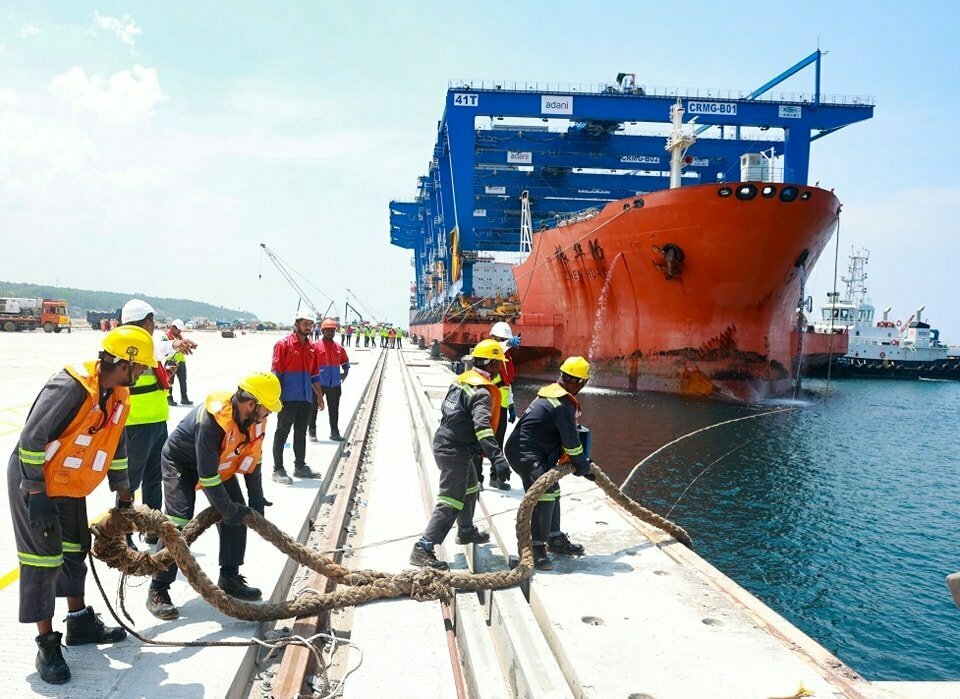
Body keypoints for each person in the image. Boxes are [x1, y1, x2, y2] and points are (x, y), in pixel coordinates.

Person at [8, 326, 155, 684]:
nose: (142, 375)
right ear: (125, 362)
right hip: (36, 483)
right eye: (140, 368)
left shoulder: (117, 394)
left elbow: (114, 442)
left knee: (75, 550)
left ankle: (79, 623)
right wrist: (37, 493)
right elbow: (32, 437)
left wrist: (123, 491)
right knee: (44, 560)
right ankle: (47, 644)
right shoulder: (71, 386)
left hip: (69, 485)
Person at [146, 373, 281, 620]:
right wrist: (229, 510)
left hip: (218, 463)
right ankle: (158, 588)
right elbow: (206, 476)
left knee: (238, 513)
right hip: (182, 463)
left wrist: (256, 499)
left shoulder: (256, 420)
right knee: (178, 522)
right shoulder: (212, 420)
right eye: (267, 409)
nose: (268, 415)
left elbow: (254, 458)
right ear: (251, 404)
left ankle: (229, 577)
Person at [410, 339, 510, 570]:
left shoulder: (461, 382)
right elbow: (482, 428)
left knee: (471, 488)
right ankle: (423, 547)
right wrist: (497, 457)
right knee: (451, 500)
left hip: (450, 445)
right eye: (498, 365)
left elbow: (450, 412)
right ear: (492, 365)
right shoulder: (482, 392)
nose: (499, 369)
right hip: (454, 451)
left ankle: (465, 531)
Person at [505, 356, 593, 571]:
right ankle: (537, 548)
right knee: (546, 495)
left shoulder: (551, 394)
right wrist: (583, 467)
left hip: (523, 450)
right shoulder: (562, 404)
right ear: (582, 382)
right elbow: (571, 443)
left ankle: (554, 538)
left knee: (553, 491)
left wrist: (581, 464)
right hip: (527, 454)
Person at [122, 299, 193, 547]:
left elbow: (160, 350)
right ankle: (124, 532)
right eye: (151, 321)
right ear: (146, 321)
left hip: (156, 421)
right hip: (135, 424)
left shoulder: (148, 344)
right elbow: (158, 348)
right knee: (130, 483)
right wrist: (174, 343)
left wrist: (174, 348)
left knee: (154, 479)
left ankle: (152, 528)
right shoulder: (128, 344)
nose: (153, 326)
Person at [271, 310, 324, 484]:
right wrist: (275, 396)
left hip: (306, 398)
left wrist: (319, 396)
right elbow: (276, 372)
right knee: (282, 432)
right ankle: (278, 469)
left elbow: (314, 374)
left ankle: (300, 467)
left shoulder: (312, 348)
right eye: (305, 324)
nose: (308, 327)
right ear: (297, 324)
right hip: (288, 397)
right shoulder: (283, 344)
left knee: (300, 433)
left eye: (310, 324)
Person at [485, 321, 520, 490]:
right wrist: (508, 342)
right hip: (489, 405)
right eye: (502, 338)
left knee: (498, 443)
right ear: (492, 337)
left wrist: (512, 405)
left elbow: (507, 384)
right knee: (482, 440)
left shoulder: (505, 358)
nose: (505, 342)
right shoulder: (489, 353)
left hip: (502, 407)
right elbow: (498, 348)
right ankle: (476, 478)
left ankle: (495, 478)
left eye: (506, 339)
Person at [310, 318, 350, 442]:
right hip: (319, 384)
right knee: (313, 408)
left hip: (335, 384)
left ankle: (334, 432)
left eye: (332, 330)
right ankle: (312, 431)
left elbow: (345, 362)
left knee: (334, 409)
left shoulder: (339, 348)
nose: (330, 332)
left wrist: (345, 374)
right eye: (327, 330)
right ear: (322, 331)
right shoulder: (315, 346)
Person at [165, 319, 197, 407]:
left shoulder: (179, 337)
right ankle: (169, 399)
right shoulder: (166, 337)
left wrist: (190, 346)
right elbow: (166, 350)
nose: (180, 331)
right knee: (169, 382)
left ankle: (184, 398)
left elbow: (182, 346)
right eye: (178, 330)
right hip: (171, 361)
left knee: (183, 381)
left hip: (181, 362)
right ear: (173, 328)